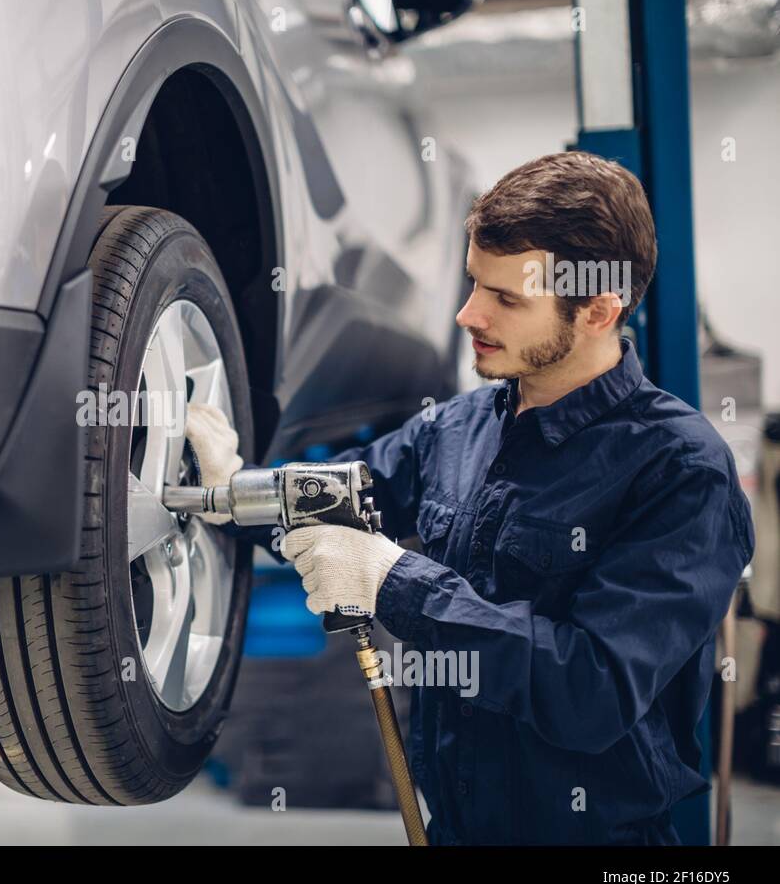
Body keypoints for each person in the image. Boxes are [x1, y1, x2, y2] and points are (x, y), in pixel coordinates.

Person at [186, 151, 754, 845]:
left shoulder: (681, 471)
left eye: (506, 299)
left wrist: (396, 583)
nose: (466, 314)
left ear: (600, 309)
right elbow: (338, 503)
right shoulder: (453, 429)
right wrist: (235, 487)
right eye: (474, 283)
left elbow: (591, 691)